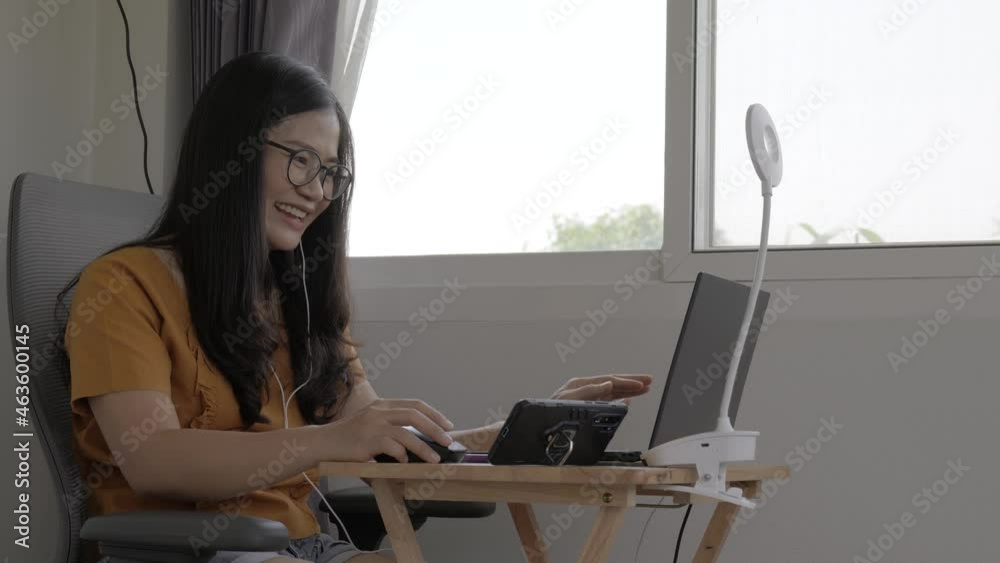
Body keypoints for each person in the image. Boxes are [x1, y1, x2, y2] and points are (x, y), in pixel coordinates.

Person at [60, 52, 652, 563]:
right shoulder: (122, 287)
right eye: (300, 160)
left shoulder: (299, 301)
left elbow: (383, 439)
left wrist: (521, 430)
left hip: (305, 547)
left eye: (331, 172)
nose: (318, 191)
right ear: (231, 154)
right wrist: (331, 440)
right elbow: (154, 460)